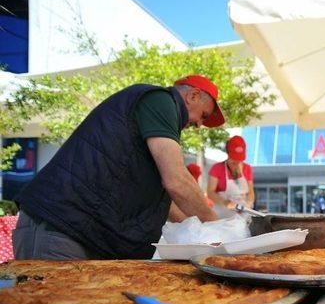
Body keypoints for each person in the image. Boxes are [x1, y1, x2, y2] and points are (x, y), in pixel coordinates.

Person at [13, 74, 225, 259]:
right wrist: (221, 230)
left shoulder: (156, 124)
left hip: (80, 234)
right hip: (60, 229)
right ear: (193, 96)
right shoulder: (161, 100)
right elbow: (177, 180)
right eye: (203, 116)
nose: (198, 125)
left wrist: (196, 229)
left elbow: (164, 202)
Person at [207, 135, 255, 218]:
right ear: (228, 154)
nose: (237, 163)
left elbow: (251, 192)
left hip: (242, 214)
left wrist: (248, 204)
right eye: (234, 161)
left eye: (239, 160)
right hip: (222, 214)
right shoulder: (217, 168)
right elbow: (210, 192)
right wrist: (226, 203)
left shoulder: (247, 168)